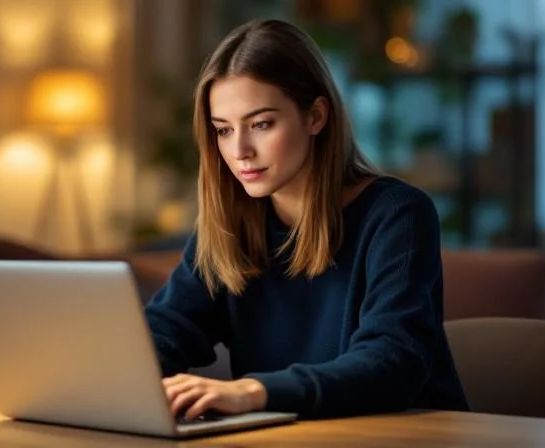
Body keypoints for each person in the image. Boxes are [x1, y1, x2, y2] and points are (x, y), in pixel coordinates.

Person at [144, 18, 469, 421]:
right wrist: (122, 377)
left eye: (261, 124)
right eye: (223, 130)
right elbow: (165, 330)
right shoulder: (230, 225)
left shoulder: (398, 214)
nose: (240, 150)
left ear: (316, 116)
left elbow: (392, 362)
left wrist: (253, 391)